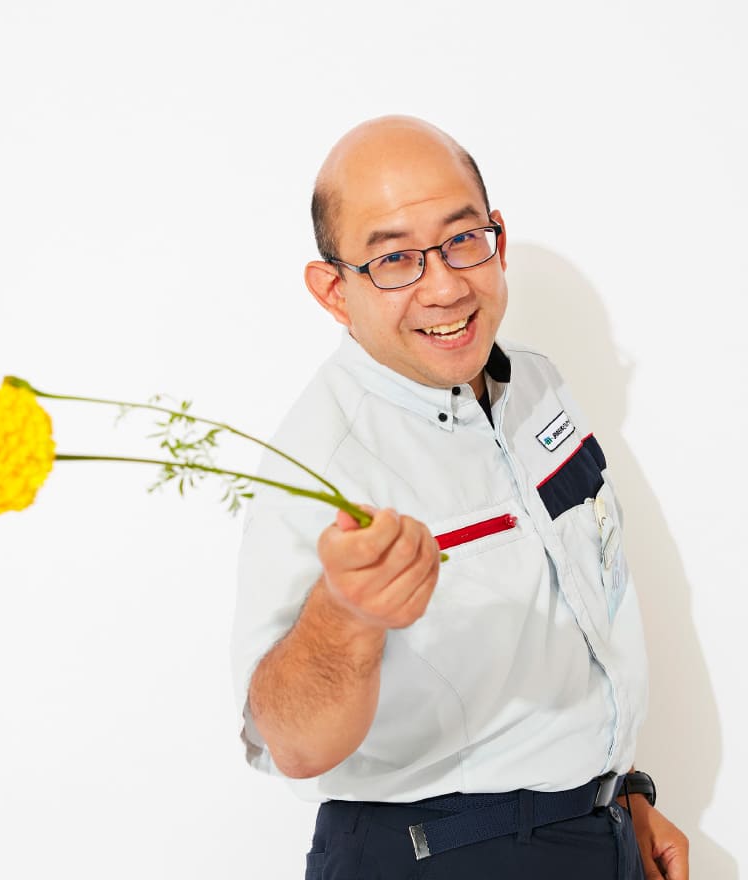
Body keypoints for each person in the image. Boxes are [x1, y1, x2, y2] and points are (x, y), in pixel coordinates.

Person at [231, 115, 688, 879]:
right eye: (394, 259)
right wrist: (345, 614)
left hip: (594, 833)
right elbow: (294, 744)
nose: (445, 286)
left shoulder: (535, 385)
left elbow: (577, 614)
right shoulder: (320, 466)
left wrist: (619, 796)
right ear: (334, 291)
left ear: (498, 242)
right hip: (436, 856)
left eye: (462, 239)